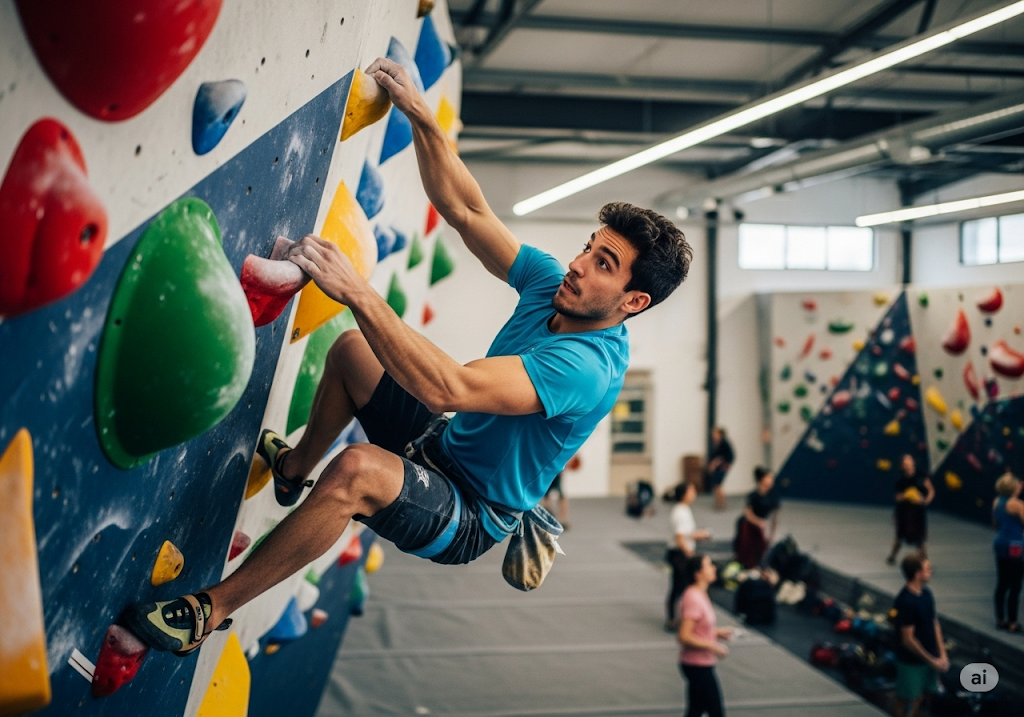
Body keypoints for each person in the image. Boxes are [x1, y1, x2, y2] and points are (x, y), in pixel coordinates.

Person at [121, 57, 693, 655]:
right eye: (589, 247)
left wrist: (357, 291)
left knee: (357, 470)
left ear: (633, 300)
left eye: (603, 264)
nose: (577, 264)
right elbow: (468, 212)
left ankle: (209, 610)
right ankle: (292, 470)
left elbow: (451, 388)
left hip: (470, 512)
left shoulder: (586, 367)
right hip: (443, 446)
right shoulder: (552, 286)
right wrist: (423, 118)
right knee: (351, 351)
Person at [891, 552, 949, 717]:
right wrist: (931, 660)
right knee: (904, 698)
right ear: (917, 573)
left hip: (930, 656)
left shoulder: (927, 594)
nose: (931, 571)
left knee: (921, 696)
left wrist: (942, 654)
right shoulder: (906, 601)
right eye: (927, 569)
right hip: (911, 661)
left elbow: (934, 623)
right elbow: (908, 639)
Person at [678, 554, 733, 717]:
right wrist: (712, 645)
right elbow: (684, 636)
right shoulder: (693, 598)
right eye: (709, 565)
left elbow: (698, 629)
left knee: (695, 710)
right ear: (698, 574)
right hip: (697, 665)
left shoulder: (701, 594)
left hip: (700, 663)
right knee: (715, 712)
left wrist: (717, 633)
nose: (714, 568)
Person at [665, 482, 711, 630]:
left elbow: (686, 534)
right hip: (680, 554)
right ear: (684, 494)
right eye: (691, 490)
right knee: (680, 587)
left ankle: (678, 618)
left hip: (681, 552)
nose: (694, 493)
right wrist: (690, 555)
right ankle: (676, 619)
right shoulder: (680, 513)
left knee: (680, 587)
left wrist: (699, 535)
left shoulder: (684, 510)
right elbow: (679, 538)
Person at [887, 454, 934, 565]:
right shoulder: (900, 480)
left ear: (913, 462)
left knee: (919, 540)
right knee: (899, 537)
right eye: (905, 462)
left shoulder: (921, 476)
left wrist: (925, 501)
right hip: (904, 512)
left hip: (917, 513)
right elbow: (897, 497)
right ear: (902, 466)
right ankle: (892, 557)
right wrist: (908, 495)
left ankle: (925, 562)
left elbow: (931, 490)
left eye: (910, 461)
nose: (908, 464)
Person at [993, 471, 1024, 633]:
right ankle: (1012, 622)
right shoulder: (1017, 504)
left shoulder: (997, 501)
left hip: (1000, 542)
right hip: (1015, 545)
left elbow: (995, 523)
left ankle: (1000, 619)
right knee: (1015, 585)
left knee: (1002, 583)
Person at [734, 467, 779, 569]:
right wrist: (759, 522)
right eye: (769, 477)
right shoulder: (753, 495)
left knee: (763, 547)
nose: (772, 480)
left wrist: (772, 534)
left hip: (762, 525)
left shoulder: (773, 496)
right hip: (749, 524)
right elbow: (748, 514)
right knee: (746, 547)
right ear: (762, 479)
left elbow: (775, 517)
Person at [706, 427, 734, 511]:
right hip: (718, 467)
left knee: (718, 485)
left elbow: (727, 457)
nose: (713, 435)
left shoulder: (724, 443)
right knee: (716, 485)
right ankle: (719, 502)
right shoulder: (716, 443)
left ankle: (722, 503)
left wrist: (717, 463)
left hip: (722, 466)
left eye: (716, 433)